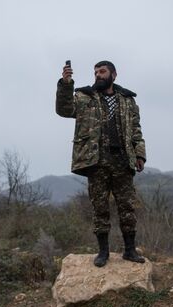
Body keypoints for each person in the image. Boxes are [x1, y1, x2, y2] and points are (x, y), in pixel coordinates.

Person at [56, 60, 147, 267]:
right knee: (100, 208)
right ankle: (103, 252)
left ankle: (130, 250)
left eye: (102, 71)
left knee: (127, 207)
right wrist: (66, 83)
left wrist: (140, 155)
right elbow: (63, 109)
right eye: (95, 71)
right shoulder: (84, 97)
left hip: (123, 161)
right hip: (96, 161)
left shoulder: (128, 100)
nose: (98, 74)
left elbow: (136, 130)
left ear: (114, 75)